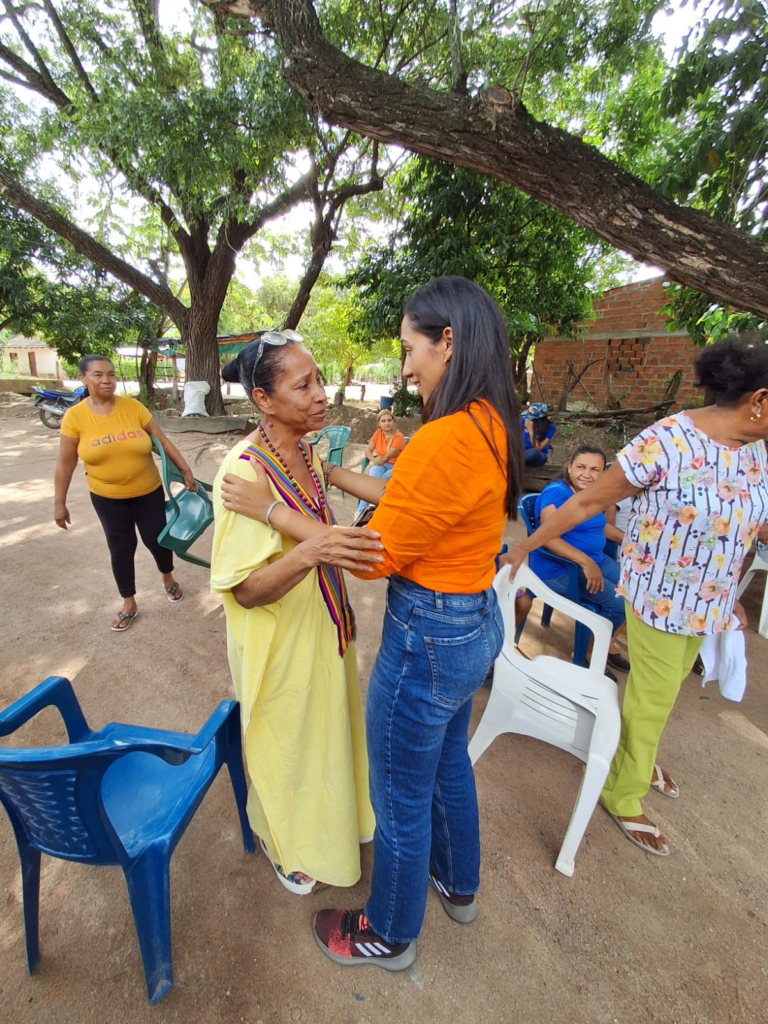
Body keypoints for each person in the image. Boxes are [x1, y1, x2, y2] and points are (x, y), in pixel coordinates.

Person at [220, 277, 523, 970]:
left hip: (429, 640)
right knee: (448, 765)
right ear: (264, 400)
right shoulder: (489, 420)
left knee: (400, 794)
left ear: (448, 340)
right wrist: (332, 481)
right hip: (474, 622)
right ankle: (459, 885)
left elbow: (369, 557)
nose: (406, 367)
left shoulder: (447, 435)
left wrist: (272, 512)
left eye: (411, 349)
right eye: (305, 384)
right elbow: (410, 496)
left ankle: (387, 932)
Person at [501, 336, 768, 857]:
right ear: (760, 400)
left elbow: (746, 526)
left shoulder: (757, 452)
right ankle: (624, 794)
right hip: (662, 600)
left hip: (709, 603)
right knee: (652, 701)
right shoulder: (668, 440)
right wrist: (523, 549)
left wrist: (731, 593)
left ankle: (635, 761)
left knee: (659, 697)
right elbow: (586, 503)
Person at [210, 332, 380, 895]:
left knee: (324, 737)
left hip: (322, 628)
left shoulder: (308, 450)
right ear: (263, 399)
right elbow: (245, 592)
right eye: (302, 385)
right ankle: (286, 844)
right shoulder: (243, 472)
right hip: (279, 644)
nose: (320, 394)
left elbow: (343, 505)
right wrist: (312, 552)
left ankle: (329, 826)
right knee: (286, 748)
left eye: (320, 379)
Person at [54, 354, 195, 632]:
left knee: (159, 540)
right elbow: (66, 462)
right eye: (97, 375)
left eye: (110, 374)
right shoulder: (75, 418)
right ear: (82, 378)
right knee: (121, 547)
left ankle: (168, 579)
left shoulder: (133, 408)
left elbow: (161, 441)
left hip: (148, 492)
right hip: (107, 498)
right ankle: (129, 601)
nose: (106, 380)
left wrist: (185, 469)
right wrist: (59, 502)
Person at [528, 445, 629, 676]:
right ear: (569, 467)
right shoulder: (558, 493)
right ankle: (588, 654)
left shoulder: (590, 496)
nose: (587, 474)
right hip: (560, 568)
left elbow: (602, 527)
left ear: (603, 473)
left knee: (635, 590)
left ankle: (605, 644)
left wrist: (631, 542)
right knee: (620, 603)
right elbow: (547, 537)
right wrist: (585, 561)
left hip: (594, 561)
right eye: (581, 467)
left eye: (595, 469)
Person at [355, 408, 407, 516]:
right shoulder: (378, 433)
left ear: (393, 422)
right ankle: (362, 510)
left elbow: (387, 457)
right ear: (379, 423)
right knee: (375, 471)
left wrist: (376, 462)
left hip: (396, 467)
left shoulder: (398, 437)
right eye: (383, 421)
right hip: (381, 464)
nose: (387, 423)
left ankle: (369, 506)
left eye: (389, 420)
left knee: (379, 479)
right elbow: (367, 450)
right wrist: (373, 461)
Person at [522, 401, 556, 466]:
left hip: (538, 456)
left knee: (533, 452)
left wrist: (531, 431)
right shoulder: (524, 420)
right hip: (522, 452)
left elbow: (538, 448)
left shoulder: (550, 428)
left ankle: (516, 461)